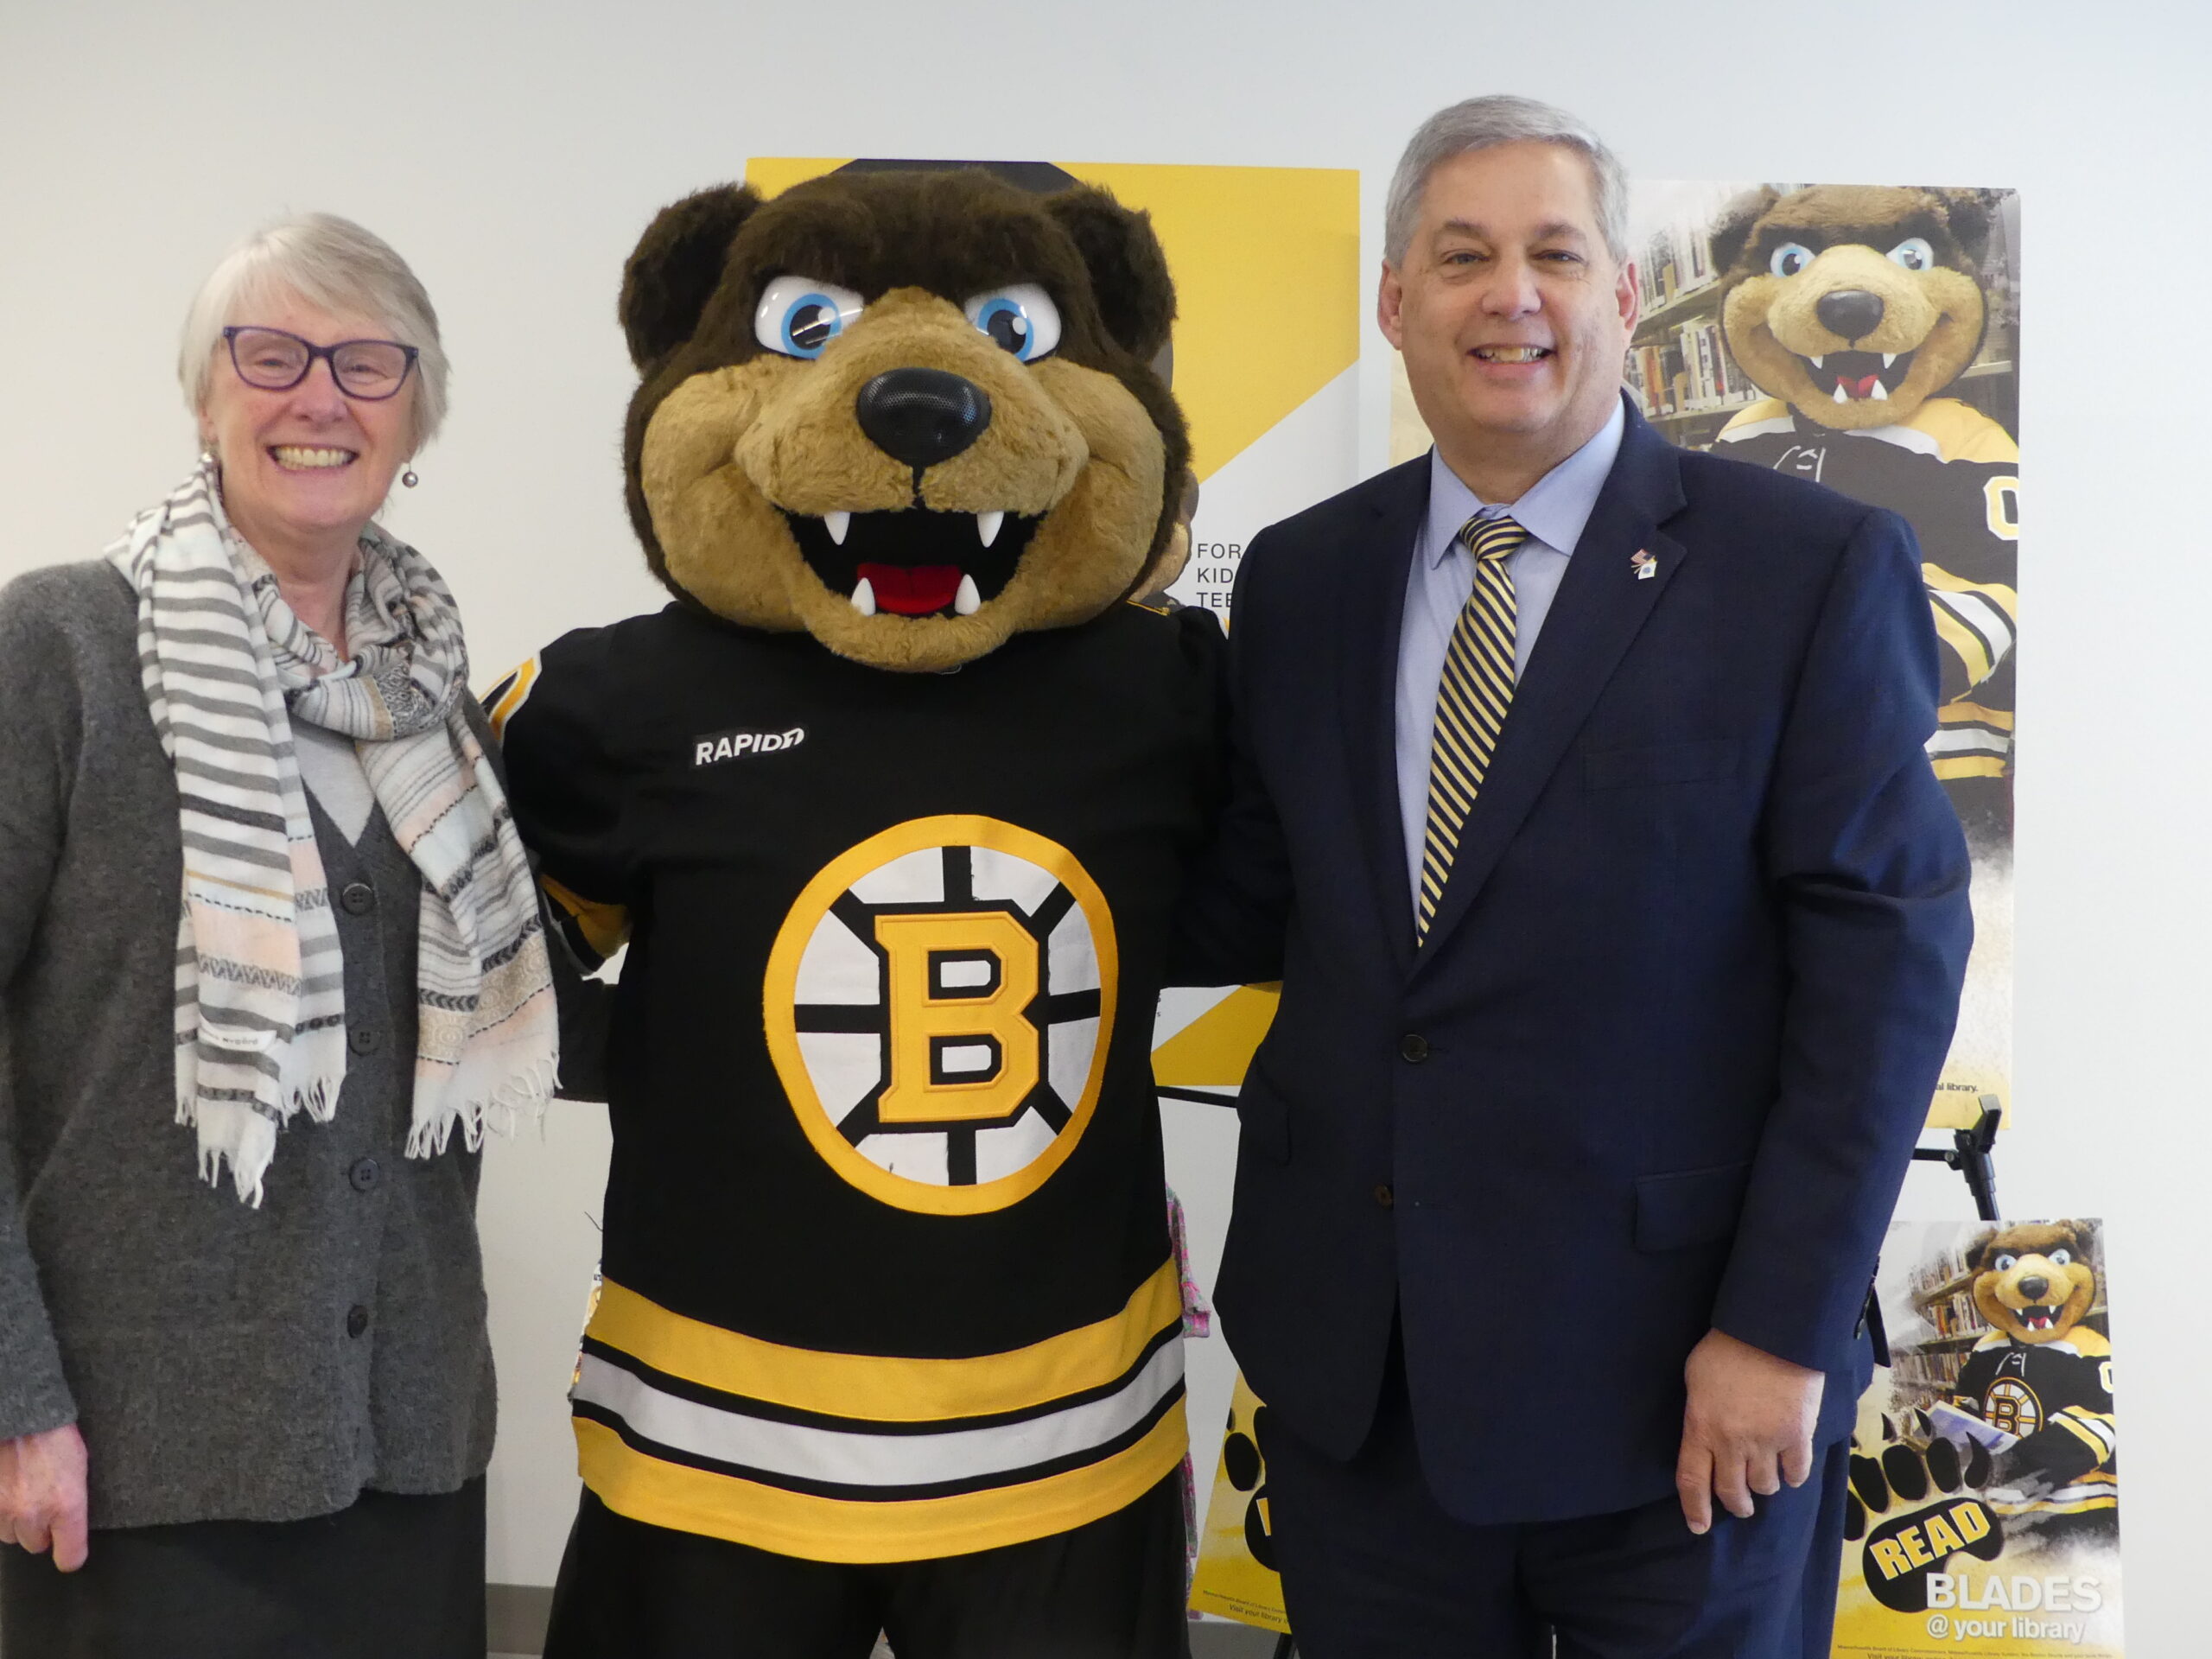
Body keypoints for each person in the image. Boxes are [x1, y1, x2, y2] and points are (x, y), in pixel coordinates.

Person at [1180, 97, 1974, 1656]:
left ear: (1622, 294)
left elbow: (1882, 971)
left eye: (1555, 252)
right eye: (1461, 256)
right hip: (1367, 1383)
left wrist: (1776, 1329)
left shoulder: (1807, 569)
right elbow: (1255, 900)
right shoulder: (1302, 575)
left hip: (1681, 1391)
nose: (1511, 294)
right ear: (1396, 301)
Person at [0, 213, 558, 1657]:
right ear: (207, 397)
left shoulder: (440, 704)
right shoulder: (61, 649)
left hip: (411, 1446)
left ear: (415, 413)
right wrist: (15, 1403)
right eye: (274, 355)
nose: (321, 396)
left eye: (369, 364)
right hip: (135, 1463)